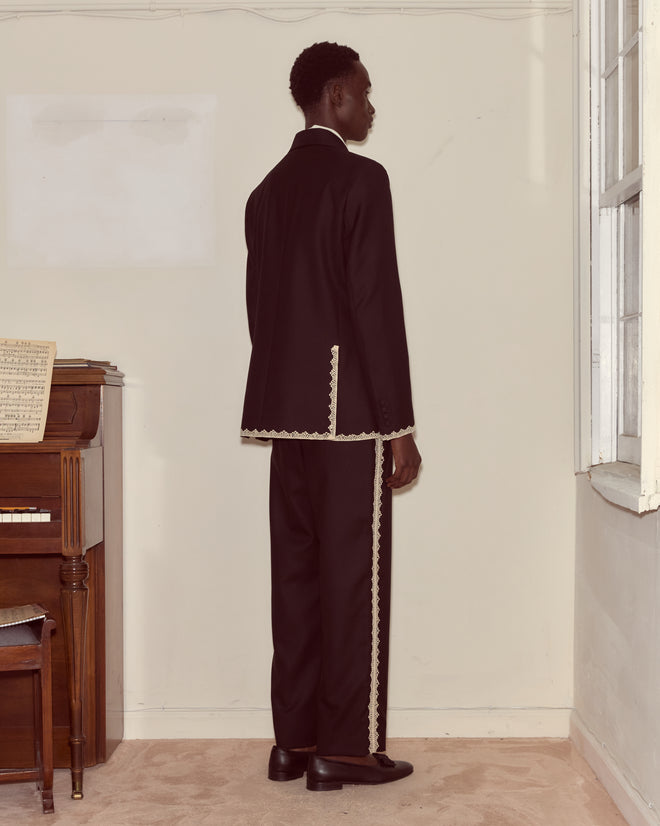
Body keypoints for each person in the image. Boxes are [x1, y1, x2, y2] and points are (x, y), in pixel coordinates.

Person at [241, 41, 422, 792]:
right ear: (337, 95)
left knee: (299, 578)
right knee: (352, 581)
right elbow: (373, 306)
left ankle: (295, 742)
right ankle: (343, 748)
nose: (372, 107)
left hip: (286, 419)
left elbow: (262, 315)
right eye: (366, 93)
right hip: (349, 420)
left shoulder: (264, 192)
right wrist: (399, 423)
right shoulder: (361, 179)